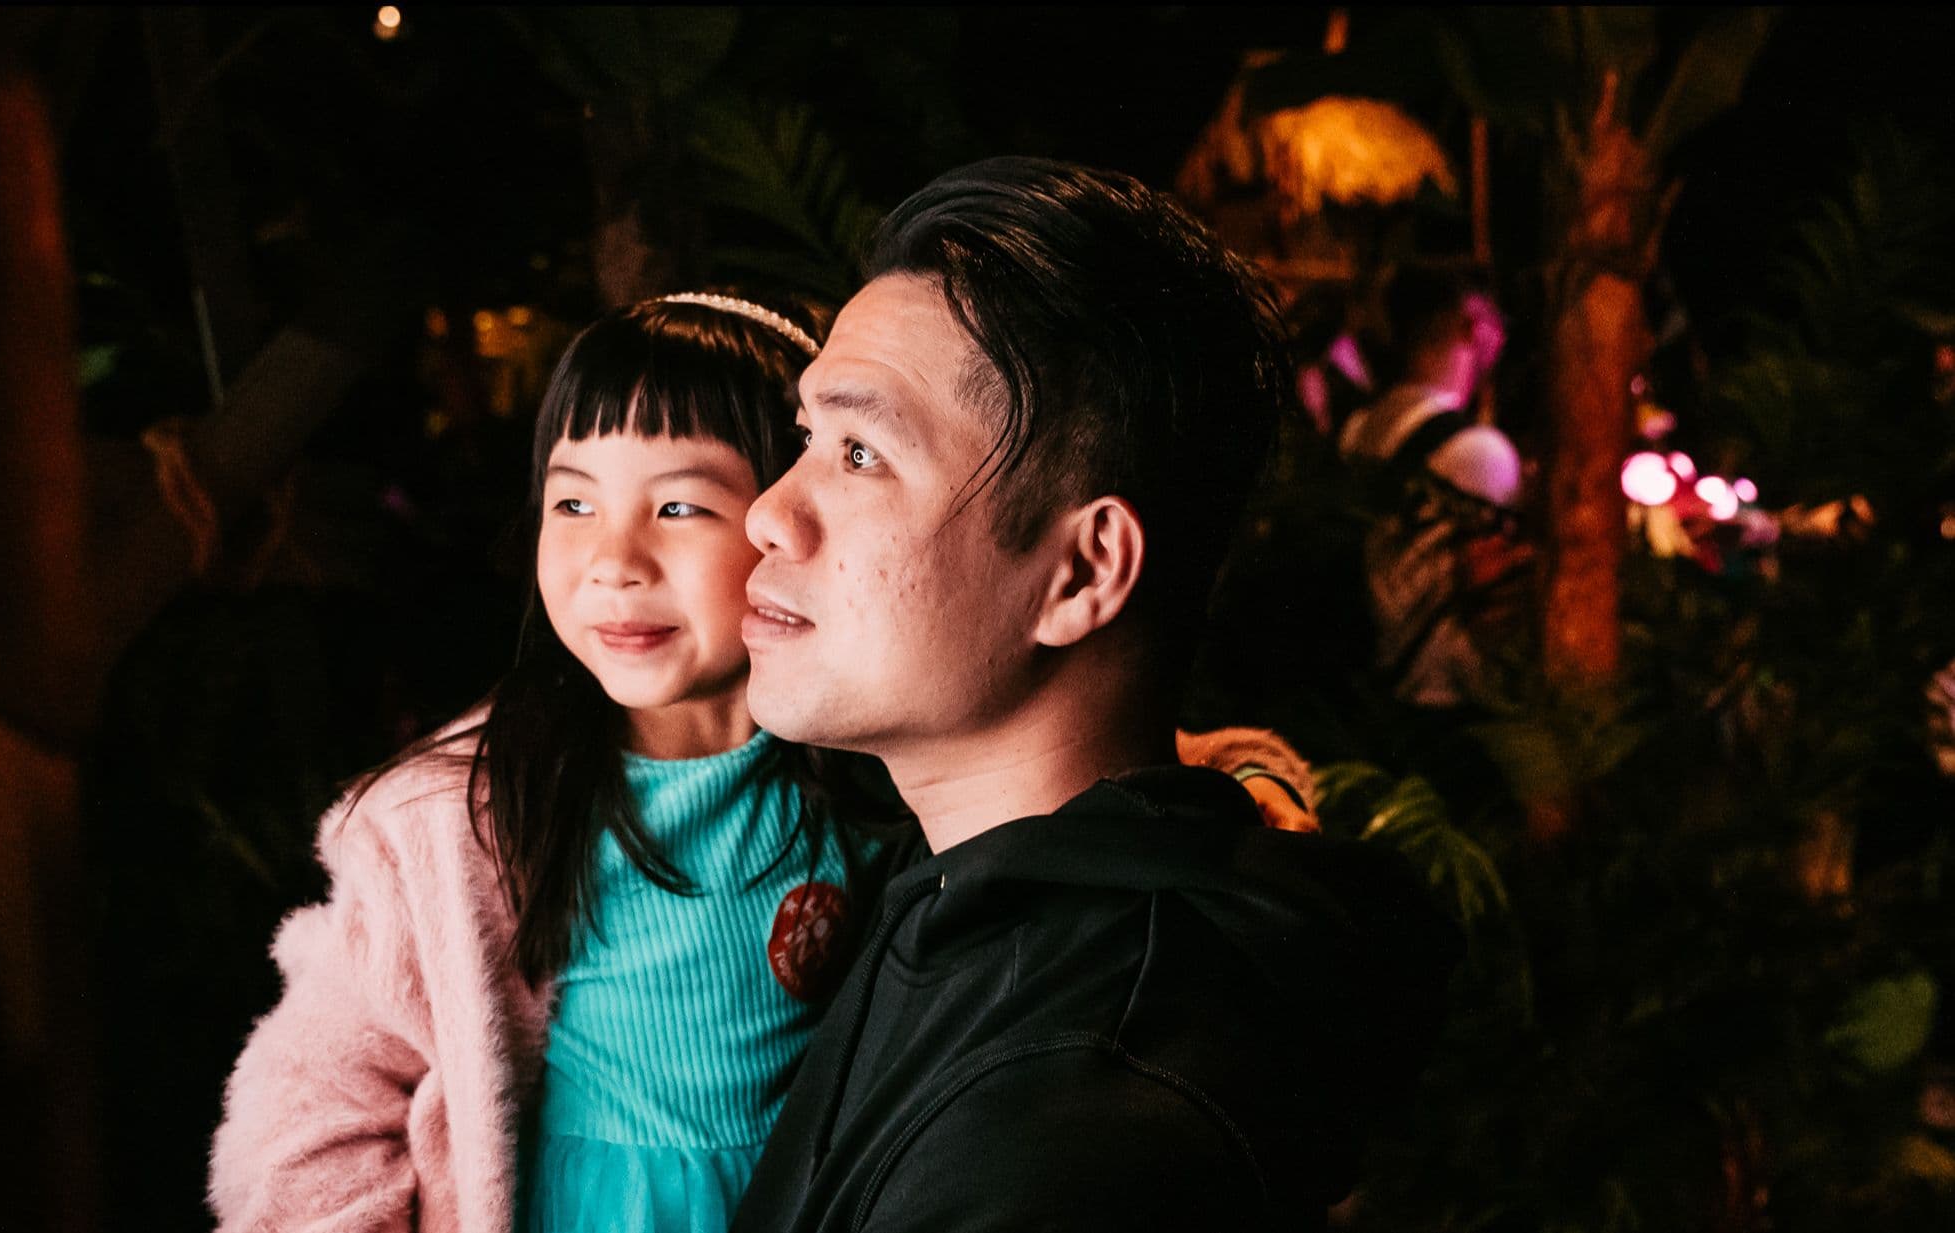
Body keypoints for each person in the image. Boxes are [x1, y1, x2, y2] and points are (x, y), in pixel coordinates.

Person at [729, 157, 1459, 1232]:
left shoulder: (1075, 1131)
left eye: (860, 453)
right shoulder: (965, 889)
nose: (771, 516)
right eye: (806, 442)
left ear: (1079, 574)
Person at [208, 291, 888, 1233]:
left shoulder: (872, 776)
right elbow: (311, 1097)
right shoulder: (460, 822)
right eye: (574, 501)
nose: (614, 560)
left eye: (679, 505)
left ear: (786, 522)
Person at [1336, 267, 1530, 709]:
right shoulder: (1480, 452)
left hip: (1358, 698)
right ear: (1471, 325)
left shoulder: (1355, 431)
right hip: (1439, 702)